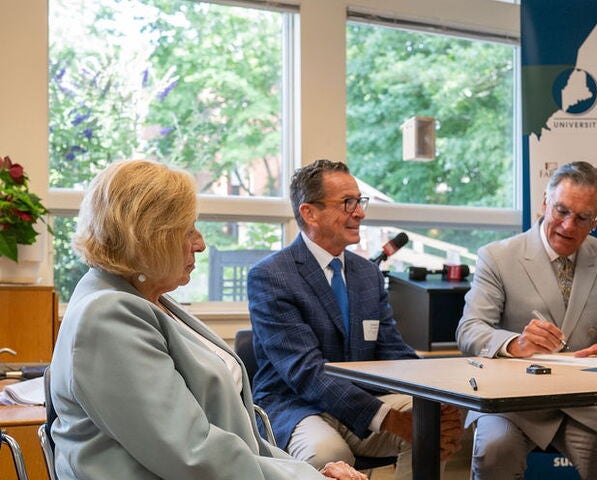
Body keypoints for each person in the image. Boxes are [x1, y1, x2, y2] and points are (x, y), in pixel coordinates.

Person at [49, 159, 366, 480]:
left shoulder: (144, 299)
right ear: (148, 237)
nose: (200, 244)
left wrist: (305, 472)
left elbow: (242, 441)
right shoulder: (107, 315)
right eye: (188, 230)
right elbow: (190, 453)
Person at [247, 159, 463, 480]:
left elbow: (393, 352)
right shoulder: (270, 276)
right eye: (347, 203)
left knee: (434, 425)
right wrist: (388, 419)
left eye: (359, 202)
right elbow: (306, 373)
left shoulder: (367, 274)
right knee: (330, 454)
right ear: (310, 213)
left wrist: (441, 392)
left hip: (360, 405)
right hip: (297, 408)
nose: (360, 212)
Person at [455, 161, 597, 480]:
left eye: (582, 218)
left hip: (584, 402)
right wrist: (514, 343)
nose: (568, 225)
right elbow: (469, 330)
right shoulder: (497, 256)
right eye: (561, 211)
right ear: (544, 203)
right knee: (494, 452)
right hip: (511, 402)